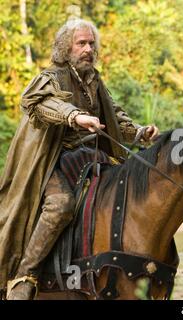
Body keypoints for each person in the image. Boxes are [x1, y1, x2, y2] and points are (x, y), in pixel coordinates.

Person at [0, 19, 159, 300]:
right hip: (52, 162)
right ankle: (24, 277)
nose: (88, 49)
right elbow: (39, 103)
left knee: (125, 189)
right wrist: (75, 116)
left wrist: (140, 132)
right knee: (61, 205)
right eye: (81, 43)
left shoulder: (94, 80)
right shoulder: (51, 76)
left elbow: (115, 118)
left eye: (91, 43)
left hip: (89, 159)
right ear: (66, 47)